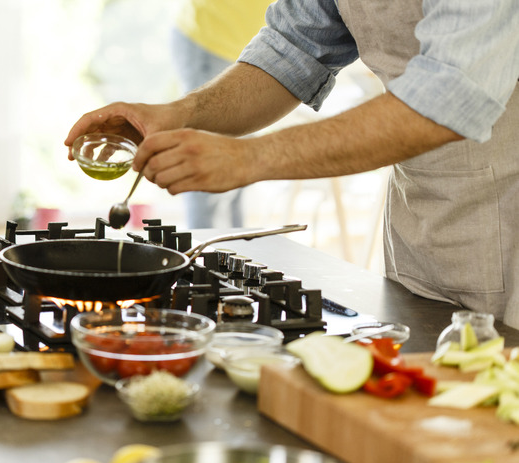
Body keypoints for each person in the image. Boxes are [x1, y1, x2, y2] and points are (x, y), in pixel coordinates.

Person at [65, 0, 519, 328]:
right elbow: (293, 46)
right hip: (428, 205)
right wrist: (180, 114)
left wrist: (252, 157)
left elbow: (452, 94)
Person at [172, 0, 272, 229]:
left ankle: (234, 253)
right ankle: (202, 256)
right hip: (213, 40)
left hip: (257, 47)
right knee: (207, 168)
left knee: (236, 167)